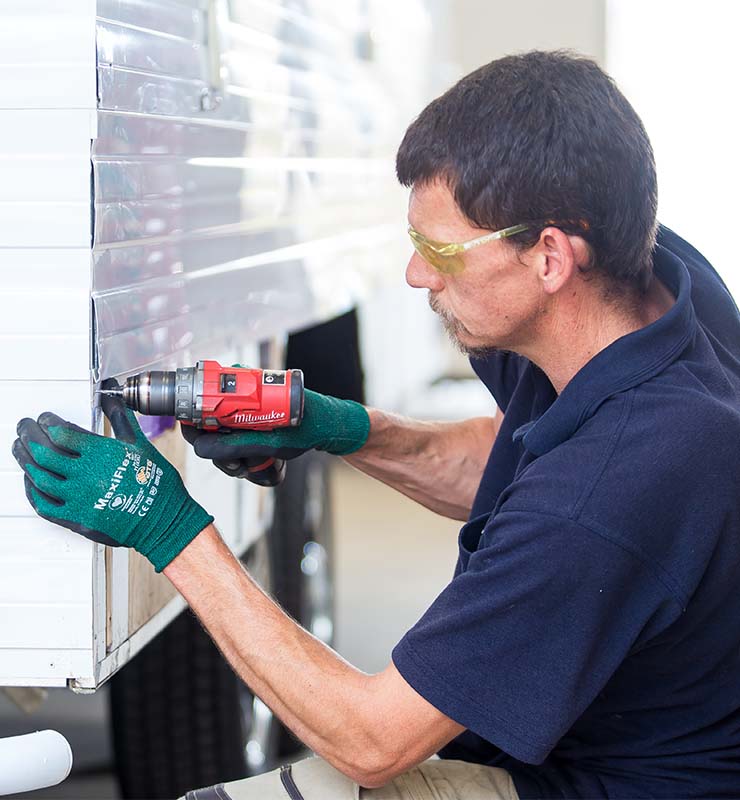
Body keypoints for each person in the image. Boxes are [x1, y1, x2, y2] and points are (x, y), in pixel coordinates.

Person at [12, 50, 740, 799]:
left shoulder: (608, 491)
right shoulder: (655, 284)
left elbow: (371, 738)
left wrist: (164, 524)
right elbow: (508, 463)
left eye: (438, 250)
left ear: (551, 255)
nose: (416, 275)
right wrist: (335, 426)